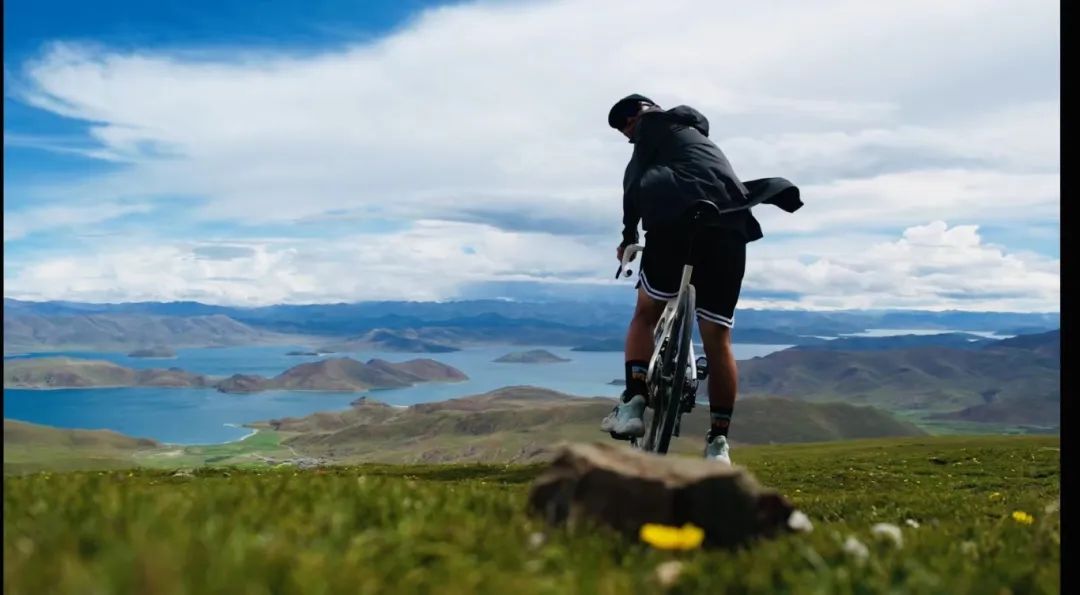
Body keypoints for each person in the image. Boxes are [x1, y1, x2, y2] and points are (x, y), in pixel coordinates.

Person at [599, 94, 802, 464]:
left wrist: (629, 237)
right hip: (730, 227)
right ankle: (718, 444)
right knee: (719, 338)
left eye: (624, 124)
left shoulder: (652, 131)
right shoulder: (699, 140)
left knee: (646, 312)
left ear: (636, 116)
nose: (627, 134)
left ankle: (633, 403)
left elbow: (633, 187)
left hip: (675, 225)